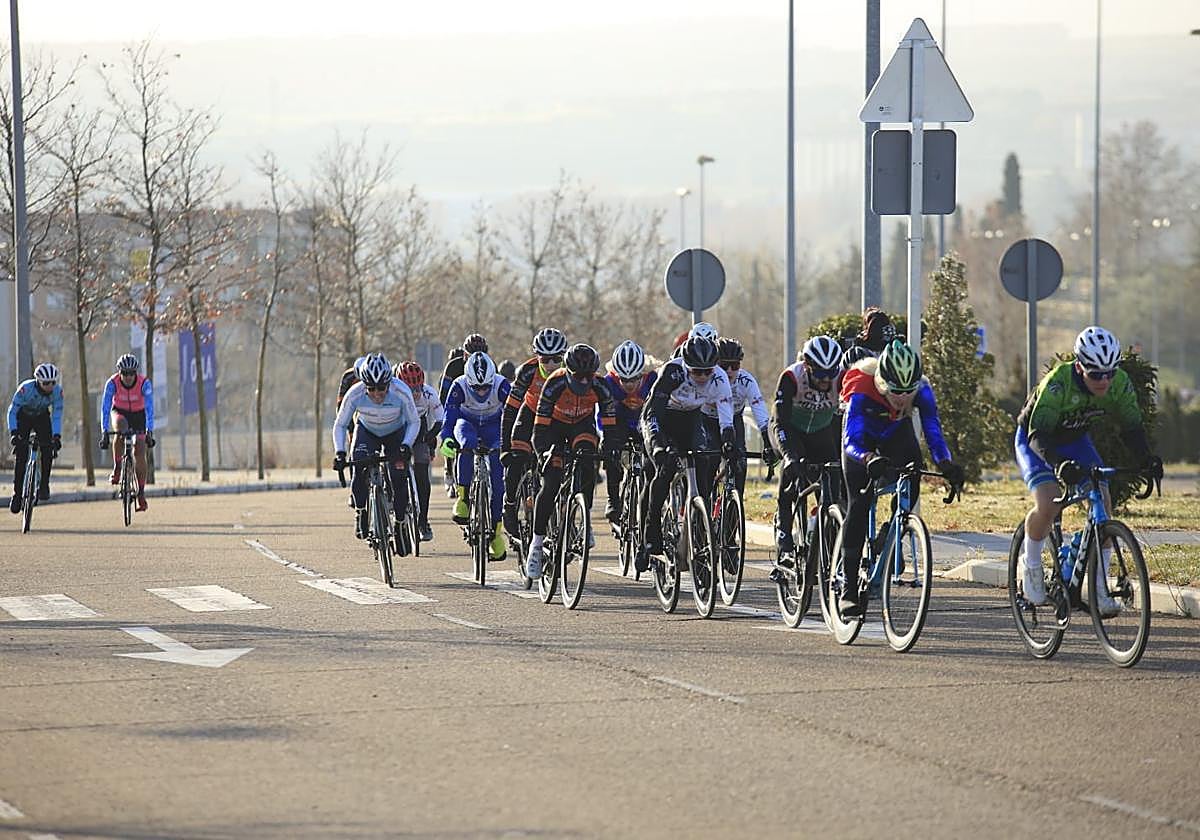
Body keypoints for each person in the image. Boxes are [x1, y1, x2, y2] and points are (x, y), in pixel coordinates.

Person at [1013, 326, 1161, 615]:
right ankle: (1030, 565)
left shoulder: (1119, 383)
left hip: (1075, 439)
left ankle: (1097, 589)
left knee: (1103, 505)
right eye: (1096, 374)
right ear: (1080, 367)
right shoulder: (1059, 382)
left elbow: (1132, 428)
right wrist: (1058, 464)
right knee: (1049, 501)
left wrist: (1147, 458)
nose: (1104, 380)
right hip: (1037, 439)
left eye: (1109, 372)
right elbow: (1036, 435)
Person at [837, 339, 963, 617]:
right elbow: (851, 439)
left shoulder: (922, 390)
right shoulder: (861, 386)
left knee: (913, 470)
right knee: (858, 504)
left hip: (894, 432)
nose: (903, 399)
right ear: (882, 381)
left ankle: (891, 531)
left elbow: (932, 430)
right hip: (862, 442)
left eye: (909, 392)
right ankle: (847, 587)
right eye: (896, 392)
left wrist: (946, 463)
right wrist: (869, 458)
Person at [639, 335, 735, 570]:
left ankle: (699, 532)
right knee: (664, 468)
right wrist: (659, 446)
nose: (702, 377)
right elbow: (653, 414)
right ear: (686, 366)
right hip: (661, 418)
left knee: (704, 463)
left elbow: (726, 419)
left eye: (707, 372)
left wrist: (729, 443)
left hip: (691, 418)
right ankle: (650, 536)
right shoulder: (672, 372)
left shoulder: (720, 378)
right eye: (696, 372)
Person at [524, 344, 621, 578]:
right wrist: (543, 454)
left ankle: (584, 516)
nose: (584, 382)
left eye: (589, 376)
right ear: (568, 371)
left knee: (588, 461)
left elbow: (610, 429)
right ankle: (536, 545)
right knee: (551, 482)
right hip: (553, 429)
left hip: (581, 425)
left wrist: (610, 452)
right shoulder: (554, 384)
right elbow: (538, 431)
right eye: (579, 377)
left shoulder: (601, 387)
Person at [768, 335, 845, 577]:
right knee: (791, 475)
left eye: (830, 374)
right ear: (807, 366)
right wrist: (789, 456)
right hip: (790, 429)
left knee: (834, 486)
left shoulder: (841, 379)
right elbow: (780, 422)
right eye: (819, 374)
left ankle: (828, 542)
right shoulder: (792, 377)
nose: (825, 380)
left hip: (821, 432)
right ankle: (784, 539)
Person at [332, 353, 419, 553]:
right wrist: (340, 453)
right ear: (364, 385)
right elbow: (340, 424)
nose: (377, 393)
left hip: (395, 432)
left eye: (382, 388)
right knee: (359, 466)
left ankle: (399, 524)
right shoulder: (355, 393)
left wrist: (406, 445)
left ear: (389, 383)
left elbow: (414, 421)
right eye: (371, 388)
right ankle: (361, 511)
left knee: (398, 477)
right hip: (367, 431)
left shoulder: (401, 391)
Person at [441, 351, 510, 561]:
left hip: (493, 426)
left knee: (498, 478)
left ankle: (496, 534)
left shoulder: (502, 385)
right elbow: (449, 417)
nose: (481, 392)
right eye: (476, 388)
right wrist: (446, 439)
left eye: (485, 388)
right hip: (467, 424)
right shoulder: (459, 385)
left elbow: (514, 415)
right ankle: (463, 498)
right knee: (467, 443)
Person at [500, 327, 569, 537]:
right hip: (530, 413)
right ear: (537, 357)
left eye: (556, 359)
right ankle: (509, 505)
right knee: (517, 456)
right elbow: (510, 410)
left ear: (564, 357)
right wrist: (505, 446)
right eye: (545, 359)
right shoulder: (527, 372)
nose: (550, 365)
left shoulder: (570, 373)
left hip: (555, 418)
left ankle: (565, 516)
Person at [702, 336, 775, 501]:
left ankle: (735, 510)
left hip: (734, 421)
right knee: (710, 460)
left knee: (740, 464)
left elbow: (761, 414)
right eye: (723, 365)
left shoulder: (746, 381)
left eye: (734, 366)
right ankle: (703, 508)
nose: (728, 371)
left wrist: (768, 441)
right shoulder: (707, 379)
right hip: (708, 421)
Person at [599, 340, 657, 526]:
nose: (630, 385)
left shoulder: (652, 379)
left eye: (635, 379)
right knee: (610, 451)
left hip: (643, 422)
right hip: (618, 422)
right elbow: (601, 416)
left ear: (643, 373)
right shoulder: (609, 382)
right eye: (625, 380)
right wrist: (608, 440)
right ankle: (613, 499)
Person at [99, 353, 156, 511]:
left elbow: (150, 408)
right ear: (119, 372)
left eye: (132, 373)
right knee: (120, 429)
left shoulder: (144, 383)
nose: (129, 377)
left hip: (139, 414)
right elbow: (105, 408)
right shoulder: (112, 383)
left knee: (140, 449)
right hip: (120, 412)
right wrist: (104, 431)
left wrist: (149, 430)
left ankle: (141, 492)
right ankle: (117, 467)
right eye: (125, 373)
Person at [395, 361, 443, 542]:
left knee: (423, 474)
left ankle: (423, 521)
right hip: (398, 427)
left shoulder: (429, 393)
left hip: (421, 429)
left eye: (418, 388)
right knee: (396, 468)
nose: (415, 393)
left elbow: (439, 421)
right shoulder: (394, 394)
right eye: (410, 389)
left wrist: (430, 439)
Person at [8, 363, 64, 513]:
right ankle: (17, 494)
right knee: (21, 456)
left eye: (53, 382)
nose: (49, 386)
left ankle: (44, 484)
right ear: (38, 381)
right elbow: (12, 412)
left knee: (48, 450)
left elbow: (57, 414)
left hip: (41, 417)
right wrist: (14, 433)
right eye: (46, 383)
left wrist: (56, 436)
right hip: (23, 417)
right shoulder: (26, 389)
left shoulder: (57, 392)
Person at [439, 334, 488, 405]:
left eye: (481, 357)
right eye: (472, 357)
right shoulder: (452, 367)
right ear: (465, 355)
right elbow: (443, 397)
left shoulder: (492, 366)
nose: (477, 361)